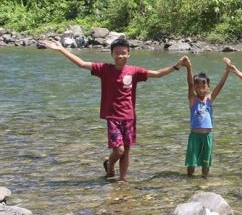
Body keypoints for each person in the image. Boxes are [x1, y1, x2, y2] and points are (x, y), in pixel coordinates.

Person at [41, 38, 186, 183]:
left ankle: (123, 180)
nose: (120, 56)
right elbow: (82, 63)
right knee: (119, 150)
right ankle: (110, 164)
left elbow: (157, 73)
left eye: (123, 53)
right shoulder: (104, 69)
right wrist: (61, 49)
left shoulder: (134, 71)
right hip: (113, 117)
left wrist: (176, 66)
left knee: (126, 151)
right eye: (117, 53)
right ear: (111, 54)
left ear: (129, 54)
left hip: (129, 117)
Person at [181, 56, 232, 177]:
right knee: (191, 164)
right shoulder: (193, 99)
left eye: (203, 87)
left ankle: (205, 182)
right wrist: (189, 67)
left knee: (206, 164)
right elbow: (189, 84)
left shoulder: (209, 99)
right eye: (198, 87)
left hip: (207, 136)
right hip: (195, 136)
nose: (201, 89)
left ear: (208, 86)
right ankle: (189, 181)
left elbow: (220, 86)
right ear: (195, 87)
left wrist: (227, 71)